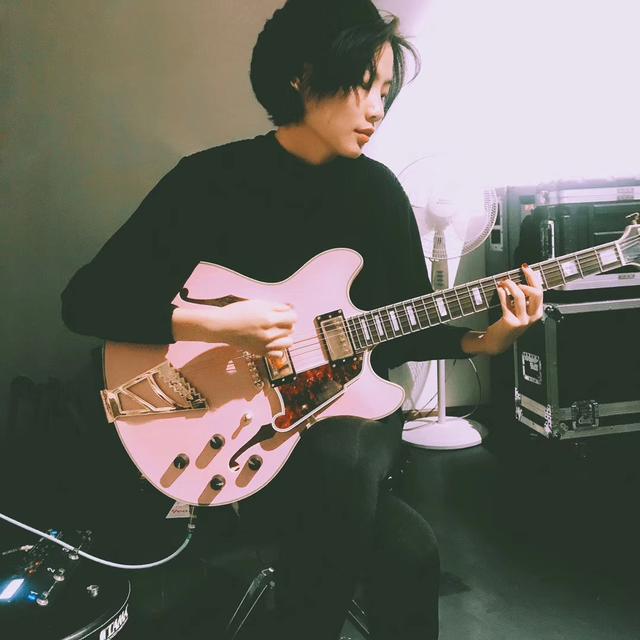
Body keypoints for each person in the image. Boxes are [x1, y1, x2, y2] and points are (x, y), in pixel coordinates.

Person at [61, 1, 543, 638]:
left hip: (350, 428)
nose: (378, 109)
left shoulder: (378, 193)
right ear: (302, 74)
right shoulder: (208, 182)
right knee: (407, 550)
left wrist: (489, 339)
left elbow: (406, 322)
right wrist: (218, 326)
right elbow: (86, 301)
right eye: (364, 85)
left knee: (361, 480)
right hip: (236, 437)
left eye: (386, 92)